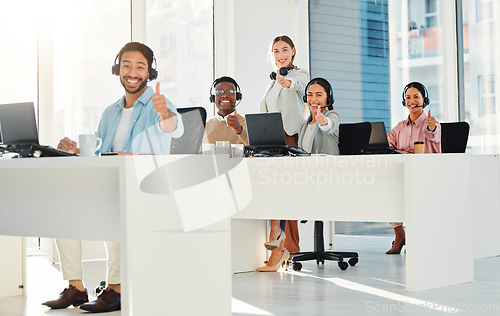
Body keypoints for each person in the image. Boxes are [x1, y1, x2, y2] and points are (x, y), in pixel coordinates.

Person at [42, 42, 183, 312]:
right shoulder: (110, 112)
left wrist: (165, 113)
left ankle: (117, 289)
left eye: (140, 67)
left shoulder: (158, 105)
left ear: (149, 73)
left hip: (143, 189)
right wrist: (76, 152)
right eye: (127, 65)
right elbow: (99, 155)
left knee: (122, 202)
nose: (132, 72)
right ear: (118, 69)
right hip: (110, 184)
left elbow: (172, 128)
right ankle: (76, 288)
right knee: (62, 208)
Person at [257, 35, 309, 272]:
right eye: (276, 51)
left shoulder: (299, 75)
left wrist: (289, 83)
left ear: (293, 51)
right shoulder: (271, 81)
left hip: (290, 137)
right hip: (271, 138)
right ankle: (283, 246)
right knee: (274, 187)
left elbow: (300, 87)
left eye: (285, 49)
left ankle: (285, 243)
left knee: (286, 190)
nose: (280, 54)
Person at [386, 81, 441, 254]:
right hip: (403, 173)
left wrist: (431, 127)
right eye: (408, 97)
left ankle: (419, 240)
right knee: (386, 192)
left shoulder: (431, 123)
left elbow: (432, 132)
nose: (412, 101)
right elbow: (387, 146)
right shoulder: (399, 127)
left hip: (426, 175)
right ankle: (399, 234)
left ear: (424, 100)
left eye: (416, 97)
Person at [297, 78, 341, 155]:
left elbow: (329, 125)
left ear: (328, 99)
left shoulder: (333, 115)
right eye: (310, 95)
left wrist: (324, 122)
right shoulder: (303, 126)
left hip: (328, 165)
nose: (313, 99)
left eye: (319, 95)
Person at [202, 76, 248, 145]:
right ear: (213, 98)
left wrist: (240, 130)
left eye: (230, 92)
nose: (225, 95)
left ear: (237, 96)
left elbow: (259, 150)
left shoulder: (247, 124)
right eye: (219, 92)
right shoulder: (205, 127)